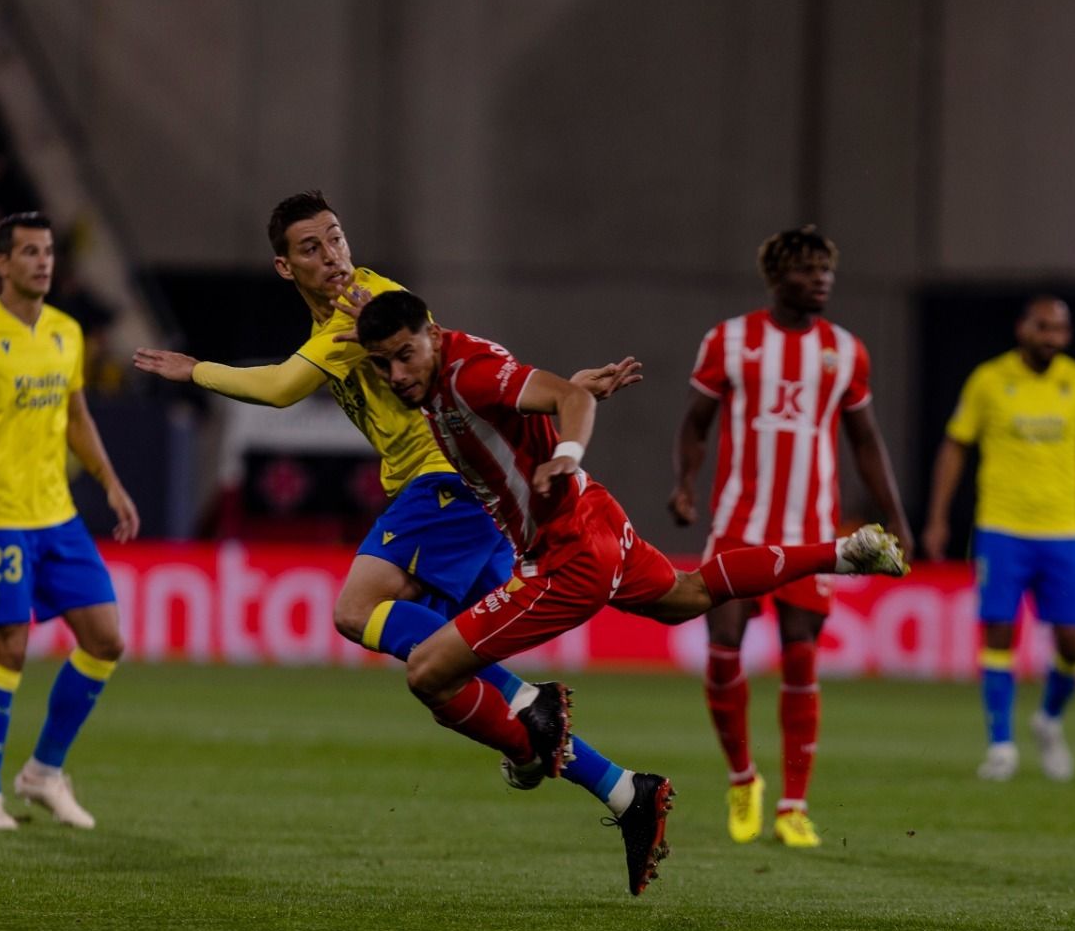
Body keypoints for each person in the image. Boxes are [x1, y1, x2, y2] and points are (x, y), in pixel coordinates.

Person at [131, 191, 653, 886]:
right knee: (442, 665)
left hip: (446, 485)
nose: (334, 257)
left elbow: (285, 387)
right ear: (284, 268)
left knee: (355, 611)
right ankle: (622, 791)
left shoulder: (372, 308)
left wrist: (194, 370)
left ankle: (527, 706)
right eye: (312, 249)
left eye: (338, 238)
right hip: (470, 500)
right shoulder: (343, 321)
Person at [353, 289, 910, 894]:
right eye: (383, 364)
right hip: (599, 519)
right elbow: (559, 392)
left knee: (429, 673)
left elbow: (564, 399)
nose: (396, 375)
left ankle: (533, 742)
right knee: (690, 597)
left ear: (431, 336)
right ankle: (841, 553)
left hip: (566, 559)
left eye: (405, 355)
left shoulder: (470, 375)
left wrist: (566, 447)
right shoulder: (445, 359)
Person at [668, 226, 914, 849]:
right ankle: (742, 777)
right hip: (738, 522)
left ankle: (793, 804)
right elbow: (696, 422)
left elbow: (865, 441)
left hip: (812, 528)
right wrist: (685, 484)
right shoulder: (729, 340)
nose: (821, 279)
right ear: (777, 277)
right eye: (807, 269)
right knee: (724, 645)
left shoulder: (846, 351)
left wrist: (896, 516)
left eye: (826, 269)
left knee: (801, 656)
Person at [0, 211, 139, 831]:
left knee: (106, 641)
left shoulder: (67, 332)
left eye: (47, 252)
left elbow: (76, 416)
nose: (43, 262)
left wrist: (111, 483)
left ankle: (43, 772)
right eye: (28, 253)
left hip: (60, 518)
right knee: (9, 648)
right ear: (2, 263)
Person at [921, 296, 1075, 782]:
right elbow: (955, 447)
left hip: (1063, 530)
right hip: (1002, 527)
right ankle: (1001, 745)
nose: (1052, 338)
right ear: (1022, 328)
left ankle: (1049, 720)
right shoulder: (989, 380)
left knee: (1074, 642)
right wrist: (937, 517)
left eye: (1060, 329)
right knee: (999, 630)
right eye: (1043, 328)